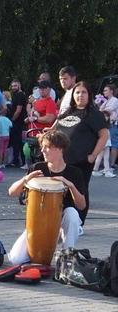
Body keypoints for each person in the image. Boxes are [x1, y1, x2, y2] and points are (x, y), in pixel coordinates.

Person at [7, 131, 85, 265]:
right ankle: (43, 245)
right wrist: (26, 179)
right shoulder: (37, 168)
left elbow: (82, 205)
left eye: (47, 147)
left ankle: (67, 256)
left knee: (72, 214)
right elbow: (11, 192)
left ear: (60, 148)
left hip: (62, 221)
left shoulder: (74, 172)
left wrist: (70, 186)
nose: (42, 150)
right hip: (38, 222)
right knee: (15, 259)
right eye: (42, 146)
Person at [51, 81, 110, 225]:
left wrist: (93, 155)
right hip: (62, 161)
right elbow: (53, 129)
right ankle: (61, 221)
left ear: (89, 95)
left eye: (84, 92)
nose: (80, 95)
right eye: (77, 92)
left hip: (81, 161)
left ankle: (78, 222)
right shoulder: (67, 112)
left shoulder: (94, 114)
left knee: (78, 190)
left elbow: (104, 135)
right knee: (59, 190)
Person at [98, 84, 118, 175]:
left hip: (112, 124)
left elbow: (109, 110)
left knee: (113, 144)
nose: (104, 92)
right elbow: (101, 109)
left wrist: (100, 111)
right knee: (107, 145)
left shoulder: (115, 100)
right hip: (107, 124)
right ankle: (107, 166)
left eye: (106, 90)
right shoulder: (106, 101)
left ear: (111, 91)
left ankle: (111, 164)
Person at [9, 79, 28, 167]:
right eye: (12, 86)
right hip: (17, 122)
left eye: (15, 86)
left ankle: (23, 161)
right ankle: (16, 160)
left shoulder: (20, 95)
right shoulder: (15, 95)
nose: (13, 88)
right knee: (16, 142)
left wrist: (12, 120)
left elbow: (18, 110)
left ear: (19, 85)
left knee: (20, 142)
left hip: (19, 122)